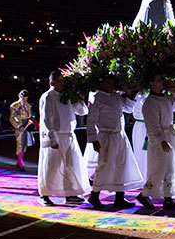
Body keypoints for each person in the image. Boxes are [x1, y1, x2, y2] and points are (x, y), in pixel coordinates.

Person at [136, 72, 175, 210]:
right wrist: (161, 140)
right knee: (159, 170)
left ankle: (168, 198)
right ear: (151, 83)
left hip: (170, 136)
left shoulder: (166, 98)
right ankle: (144, 194)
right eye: (158, 80)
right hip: (160, 140)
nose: (161, 83)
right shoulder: (150, 102)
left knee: (170, 169)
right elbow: (152, 125)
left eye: (162, 80)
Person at [87, 76, 143, 208]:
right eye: (108, 83)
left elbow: (128, 109)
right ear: (102, 83)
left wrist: (129, 95)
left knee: (121, 166)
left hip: (119, 136)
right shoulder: (97, 97)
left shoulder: (116, 97)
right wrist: (93, 138)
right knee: (104, 166)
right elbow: (91, 119)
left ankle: (119, 197)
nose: (111, 86)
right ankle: (94, 196)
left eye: (113, 83)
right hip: (106, 136)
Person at [38, 71, 90, 206]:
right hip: (56, 136)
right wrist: (52, 139)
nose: (62, 83)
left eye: (63, 80)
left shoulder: (67, 96)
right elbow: (46, 119)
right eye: (59, 81)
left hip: (69, 136)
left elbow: (82, 111)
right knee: (52, 166)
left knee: (71, 165)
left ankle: (70, 193)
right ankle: (44, 194)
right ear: (52, 83)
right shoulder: (48, 97)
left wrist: (79, 97)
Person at [9, 89, 34, 172]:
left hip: (26, 125)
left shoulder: (28, 105)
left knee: (24, 145)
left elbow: (29, 115)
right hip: (20, 126)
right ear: (19, 96)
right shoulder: (14, 105)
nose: (24, 99)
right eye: (23, 97)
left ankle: (20, 161)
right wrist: (18, 126)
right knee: (20, 144)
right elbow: (12, 118)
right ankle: (20, 163)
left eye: (25, 98)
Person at [131, 91, 148, 180]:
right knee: (140, 152)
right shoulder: (140, 95)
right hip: (141, 127)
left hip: (150, 126)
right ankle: (141, 176)